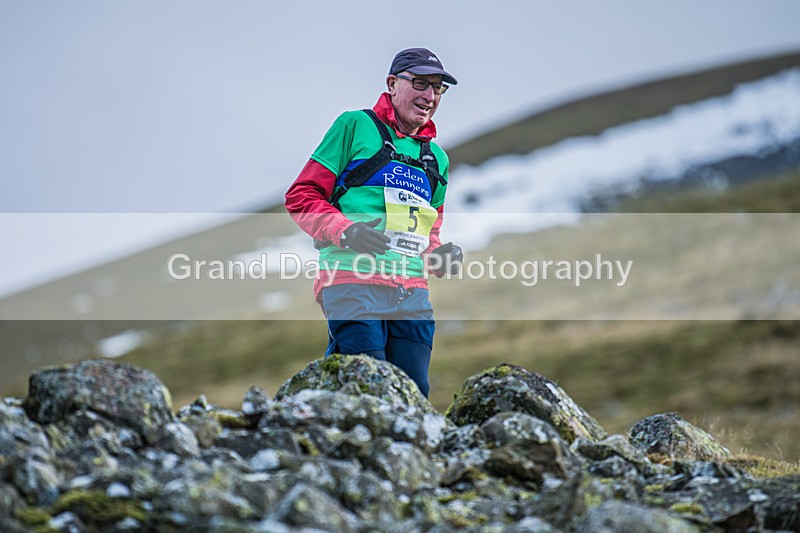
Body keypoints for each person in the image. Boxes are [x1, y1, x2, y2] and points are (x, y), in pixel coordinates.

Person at [284, 48, 463, 398]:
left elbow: (429, 231)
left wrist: (439, 257)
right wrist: (346, 231)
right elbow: (301, 196)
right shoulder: (355, 126)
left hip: (412, 294)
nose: (429, 96)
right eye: (421, 84)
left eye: (438, 88)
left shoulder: (437, 159)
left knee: (414, 395)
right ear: (392, 84)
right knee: (370, 390)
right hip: (352, 281)